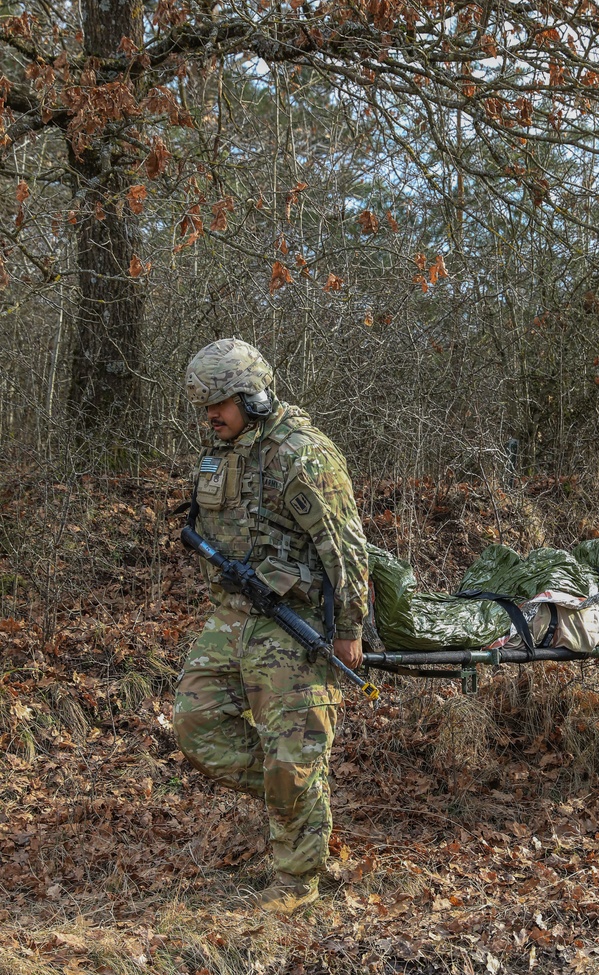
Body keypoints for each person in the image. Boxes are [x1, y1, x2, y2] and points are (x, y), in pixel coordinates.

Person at [173, 338, 369, 913]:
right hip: (233, 616)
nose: (210, 416)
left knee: (292, 757)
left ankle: (297, 884)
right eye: (203, 406)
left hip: (294, 622)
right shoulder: (224, 452)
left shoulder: (301, 454)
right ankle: (303, 794)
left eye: (220, 404)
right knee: (195, 723)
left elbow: (346, 549)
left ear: (253, 396)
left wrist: (350, 627)